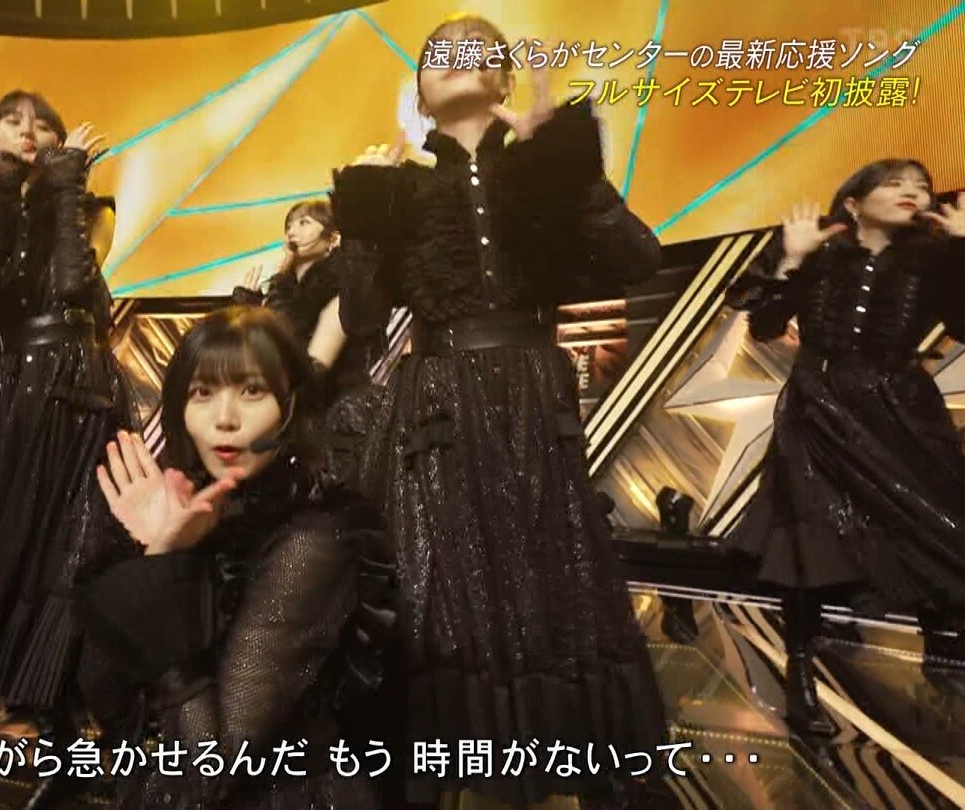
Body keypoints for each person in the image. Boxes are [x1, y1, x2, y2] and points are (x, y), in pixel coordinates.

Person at [318, 13, 668, 807]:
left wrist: (566, 166)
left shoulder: (542, 170)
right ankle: (460, 763)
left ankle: (576, 758)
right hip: (438, 397)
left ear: (506, 79)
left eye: (478, 50)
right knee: (448, 582)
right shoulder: (399, 189)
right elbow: (364, 318)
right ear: (419, 93)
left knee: (559, 573)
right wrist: (363, 222)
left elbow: (638, 259)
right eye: (438, 54)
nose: (457, 59)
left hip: (534, 395)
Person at [77, 306, 393, 810]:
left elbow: (215, 768)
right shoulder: (189, 511)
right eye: (202, 393)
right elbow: (106, 703)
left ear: (289, 403)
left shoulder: (313, 537)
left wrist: (163, 580)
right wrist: (155, 553)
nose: (224, 418)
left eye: (252, 391)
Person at [0, 90, 137, 806]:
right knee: (11, 553)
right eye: (13, 121)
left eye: (42, 123)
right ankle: (47, 726)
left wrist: (64, 185)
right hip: (10, 398)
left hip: (80, 388)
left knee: (82, 548)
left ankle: (90, 720)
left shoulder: (90, 209)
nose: (28, 131)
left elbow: (75, 284)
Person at [725, 159, 965, 735]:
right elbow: (760, 323)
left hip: (901, 412)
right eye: (894, 183)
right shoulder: (819, 251)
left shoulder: (933, 257)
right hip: (817, 408)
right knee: (807, 539)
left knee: (935, 528)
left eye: (920, 186)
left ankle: (942, 655)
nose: (912, 192)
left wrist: (963, 250)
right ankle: (800, 674)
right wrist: (790, 260)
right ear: (853, 202)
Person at [232, 199, 386, 489]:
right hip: (292, 421)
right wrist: (247, 311)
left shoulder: (340, 292)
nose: (292, 231)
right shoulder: (282, 293)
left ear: (333, 239)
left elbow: (312, 371)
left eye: (304, 223)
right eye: (289, 225)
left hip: (333, 425)